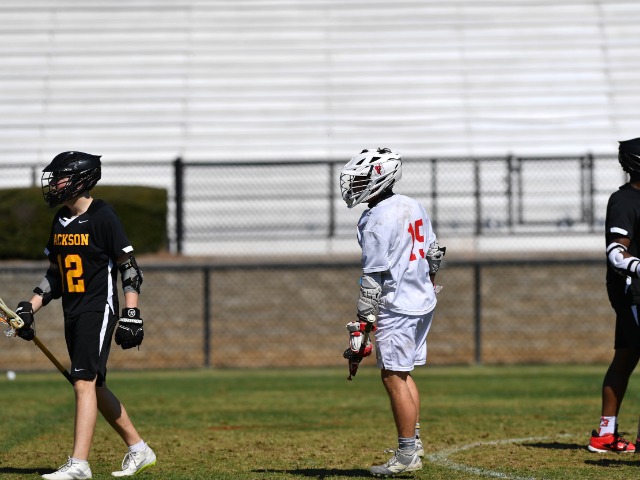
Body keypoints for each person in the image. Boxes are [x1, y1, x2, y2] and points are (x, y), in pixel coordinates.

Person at [14, 151, 156, 479]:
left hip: (98, 308)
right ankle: (139, 449)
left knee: (83, 381)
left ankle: (79, 464)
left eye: (60, 177)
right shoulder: (60, 220)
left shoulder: (103, 215)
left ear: (81, 179)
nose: (54, 183)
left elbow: (129, 268)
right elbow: (55, 275)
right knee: (94, 384)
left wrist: (131, 312)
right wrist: (29, 307)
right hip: (73, 311)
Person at [340, 148, 445, 477]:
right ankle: (413, 442)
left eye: (360, 180)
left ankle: (407, 453)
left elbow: (372, 280)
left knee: (392, 376)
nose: (354, 186)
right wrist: (425, 283)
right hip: (423, 299)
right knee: (403, 372)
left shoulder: (375, 220)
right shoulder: (412, 204)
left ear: (378, 178)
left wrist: (363, 323)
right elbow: (434, 253)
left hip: (398, 304)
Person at [588, 137, 640, 454]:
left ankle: (605, 436)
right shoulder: (624, 200)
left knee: (625, 358)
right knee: (625, 359)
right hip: (634, 292)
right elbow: (616, 252)